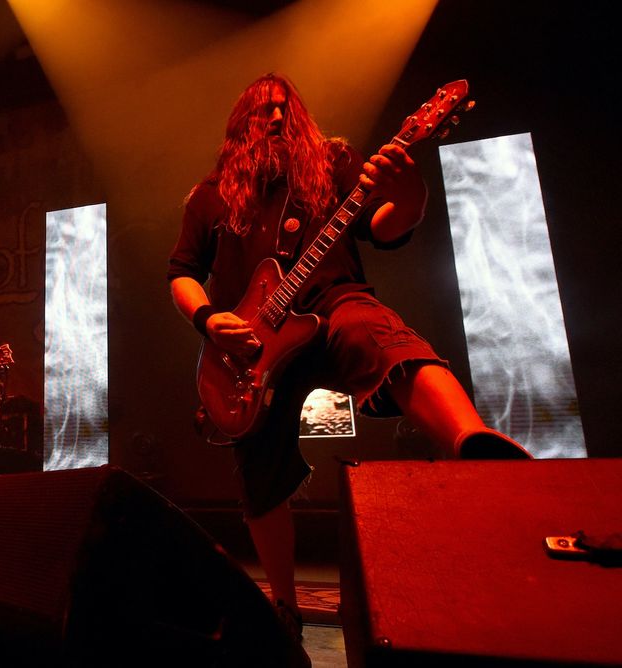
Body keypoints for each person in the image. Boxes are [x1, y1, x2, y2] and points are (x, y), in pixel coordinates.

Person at [167, 74, 530, 655]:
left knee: (374, 329)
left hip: (332, 301)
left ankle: (473, 445)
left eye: (286, 109)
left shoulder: (330, 165)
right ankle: (284, 608)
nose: (278, 118)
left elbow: (389, 225)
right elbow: (181, 273)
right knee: (259, 472)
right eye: (264, 111)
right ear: (240, 123)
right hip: (248, 348)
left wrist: (407, 189)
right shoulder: (209, 196)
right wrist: (209, 320)